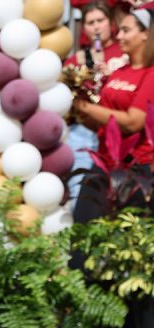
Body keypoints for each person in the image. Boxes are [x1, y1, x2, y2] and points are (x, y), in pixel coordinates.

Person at [72, 5, 154, 220]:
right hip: (102, 162)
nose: (119, 36)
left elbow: (133, 123)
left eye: (126, 30)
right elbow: (105, 121)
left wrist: (85, 107)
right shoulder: (119, 72)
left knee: (125, 241)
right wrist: (79, 110)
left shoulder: (151, 74)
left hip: (136, 169)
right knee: (83, 229)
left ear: (146, 34)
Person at [66, 3, 126, 205]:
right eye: (90, 23)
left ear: (111, 23)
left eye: (101, 21)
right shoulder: (77, 59)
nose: (96, 27)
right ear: (84, 28)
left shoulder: (125, 52)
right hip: (84, 131)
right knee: (81, 191)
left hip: (117, 131)